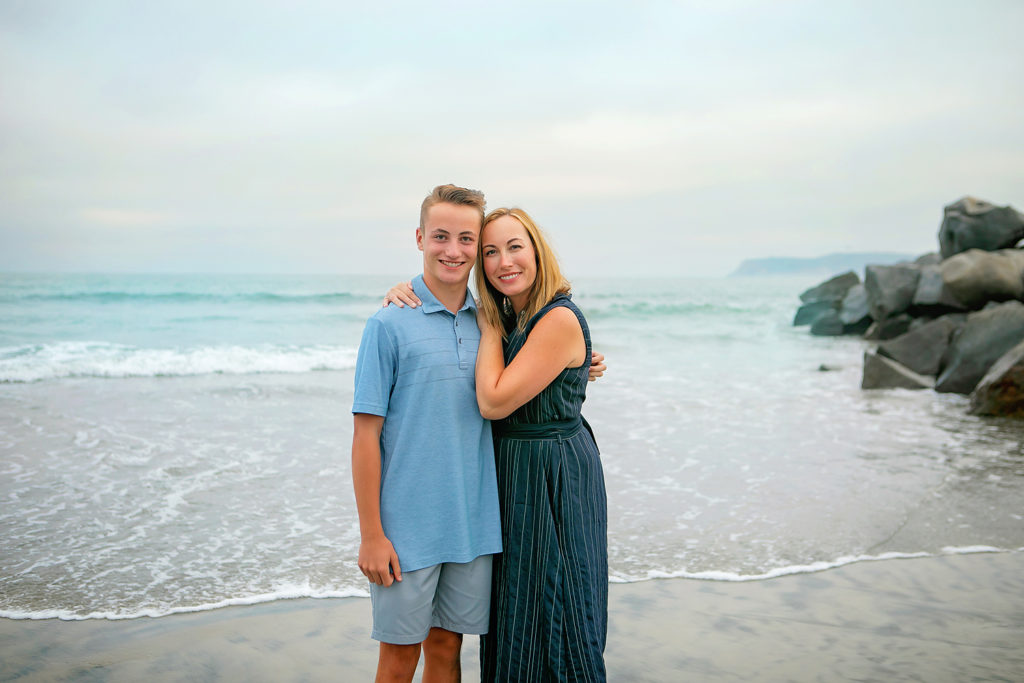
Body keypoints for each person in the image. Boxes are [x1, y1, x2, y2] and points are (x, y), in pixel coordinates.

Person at [351, 184, 502, 683]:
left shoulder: (493, 321)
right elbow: (365, 437)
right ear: (420, 238)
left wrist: (580, 363)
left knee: (447, 649)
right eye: (441, 236)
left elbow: (541, 359)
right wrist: (372, 534)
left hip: (472, 524)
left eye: (466, 239)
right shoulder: (388, 323)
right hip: (406, 531)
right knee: (398, 660)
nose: (452, 250)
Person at [473, 207, 608, 682]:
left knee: (557, 604)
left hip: (550, 472)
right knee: (517, 612)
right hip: (518, 471)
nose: (503, 261)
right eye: (490, 251)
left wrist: (488, 326)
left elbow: (492, 401)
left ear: (536, 250)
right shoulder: (519, 315)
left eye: (514, 246)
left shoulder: (554, 318)